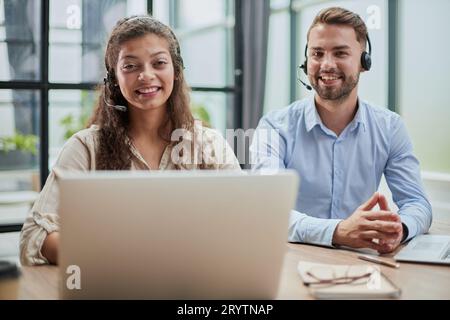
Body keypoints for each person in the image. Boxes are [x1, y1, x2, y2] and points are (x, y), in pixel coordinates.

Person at [20, 16, 240, 266]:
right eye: (130, 66)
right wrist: (114, 256)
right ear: (113, 77)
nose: (146, 75)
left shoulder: (209, 144)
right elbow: (34, 236)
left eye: (158, 63)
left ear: (176, 71)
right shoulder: (86, 147)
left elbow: (244, 225)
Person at [250, 7, 431, 253]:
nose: (327, 64)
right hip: (292, 259)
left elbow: (417, 202)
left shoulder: (390, 128)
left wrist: (401, 229)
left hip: (360, 263)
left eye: (340, 53)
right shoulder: (273, 127)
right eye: (317, 53)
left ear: (364, 62)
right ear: (306, 61)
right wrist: (339, 232)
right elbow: (268, 209)